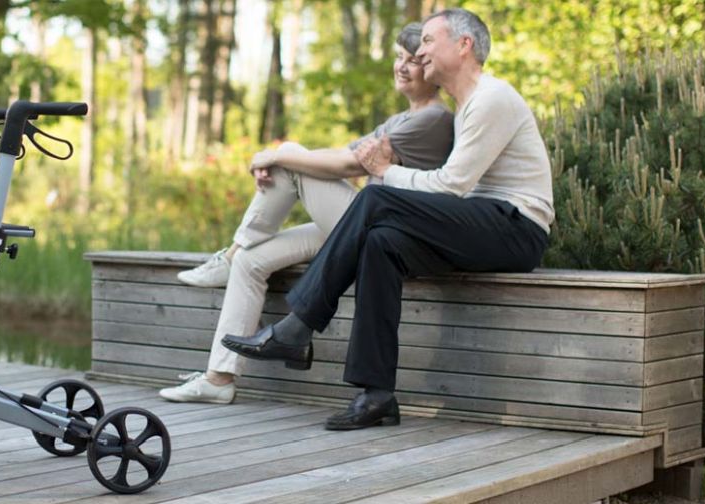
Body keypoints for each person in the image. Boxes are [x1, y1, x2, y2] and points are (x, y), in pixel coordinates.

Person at [222, 8, 554, 430]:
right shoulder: (467, 104)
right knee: (382, 244)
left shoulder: (492, 98)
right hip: (484, 223)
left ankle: (297, 327)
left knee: (377, 200)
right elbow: (452, 190)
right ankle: (376, 394)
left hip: (515, 227)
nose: (421, 51)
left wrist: (384, 171)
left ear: (464, 45)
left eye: (430, 41)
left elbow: (451, 186)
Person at [159, 22, 456, 405]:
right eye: (399, 57)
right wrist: (278, 157)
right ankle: (219, 378)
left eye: (413, 61)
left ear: (431, 69)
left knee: (292, 157)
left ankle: (230, 253)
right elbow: (336, 155)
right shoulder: (399, 119)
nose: (402, 66)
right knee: (253, 261)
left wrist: (278, 155)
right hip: (357, 224)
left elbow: (349, 166)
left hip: (386, 231)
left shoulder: (433, 119)